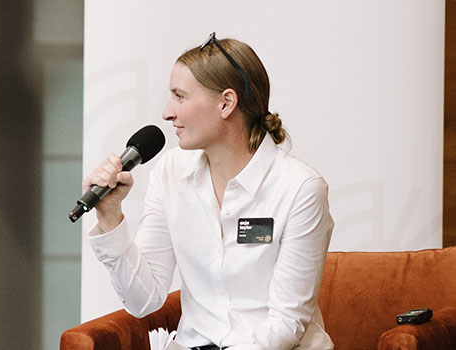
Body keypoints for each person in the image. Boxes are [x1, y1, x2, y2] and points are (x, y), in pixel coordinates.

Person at [82, 32, 333, 349]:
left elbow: (285, 324)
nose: (167, 112)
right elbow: (143, 300)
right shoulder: (170, 171)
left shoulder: (301, 188)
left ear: (226, 103)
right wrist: (110, 217)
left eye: (180, 96)